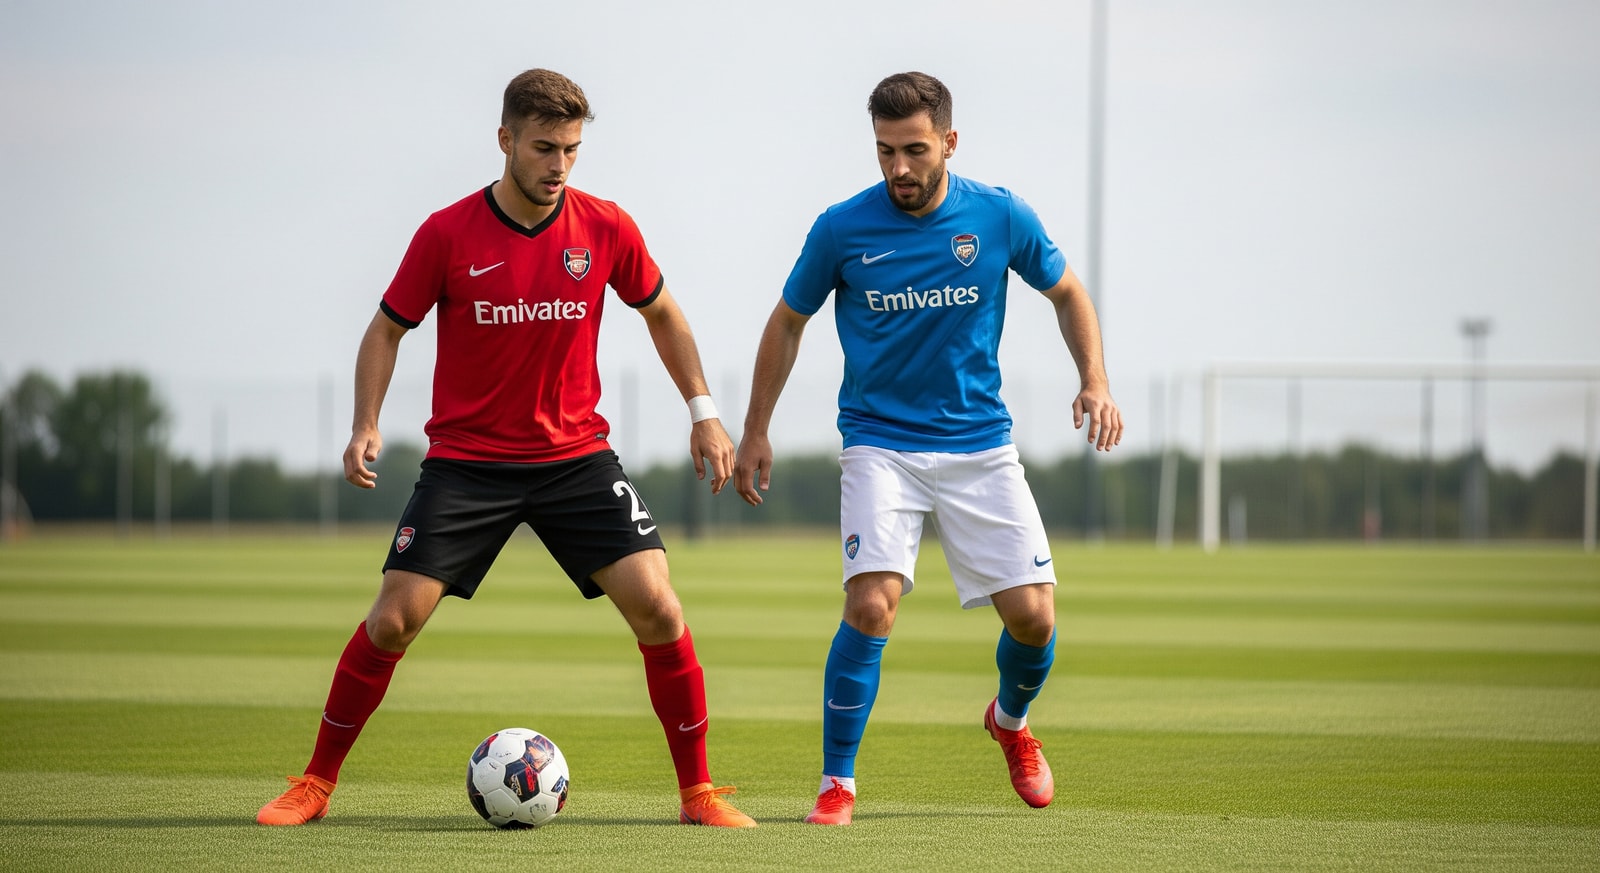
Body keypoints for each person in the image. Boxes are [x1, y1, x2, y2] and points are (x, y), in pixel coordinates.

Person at [256, 69, 756, 829]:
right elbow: (387, 327)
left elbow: (663, 313)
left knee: (659, 606)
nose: (559, 165)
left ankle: (699, 795)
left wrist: (705, 412)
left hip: (576, 460)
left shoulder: (606, 227)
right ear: (506, 141)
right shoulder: (447, 233)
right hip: (468, 463)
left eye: (573, 150)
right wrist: (366, 422)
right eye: (545, 147)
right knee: (391, 620)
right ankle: (315, 784)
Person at [734, 71, 1123, 826]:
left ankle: (1009, 722)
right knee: (872, 601)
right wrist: (755, 426)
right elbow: (788, 321)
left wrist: (1095, 379)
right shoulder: (843, 228)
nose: (899, 169)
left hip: (980, 443)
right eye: (885, 152)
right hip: (880, 443)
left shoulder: (1000, 214)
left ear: (949, 141)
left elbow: (1069, 291)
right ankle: (836, 783)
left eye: (915, 150)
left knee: (1036, 619)